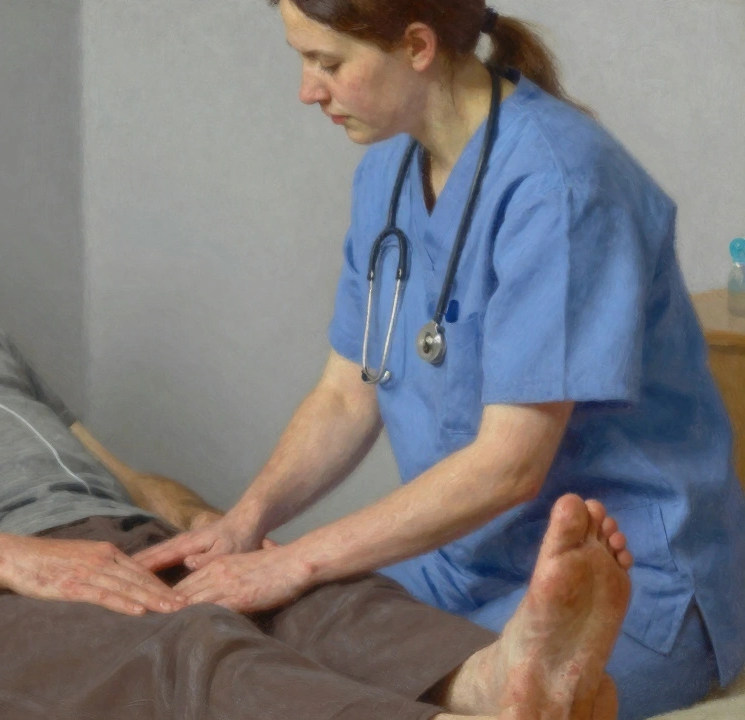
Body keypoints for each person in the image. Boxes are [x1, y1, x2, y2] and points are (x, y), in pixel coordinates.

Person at [0, 45, 634, 720]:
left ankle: (500, 679)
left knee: (319, 605)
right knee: (197, 667)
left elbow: (98, 463)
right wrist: (6, 562)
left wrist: (220, 537)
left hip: (118, 549)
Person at [137, 2, 745, 718]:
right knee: (264, 648)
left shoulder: (561, 185)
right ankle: (494, 668)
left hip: (631, 575)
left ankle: (525, 671)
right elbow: (346, 394)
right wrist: (244, 524)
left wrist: (293, 558)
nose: (308, 89)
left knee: (364, 678)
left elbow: (508, 465)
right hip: (462, 562)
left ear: (418, 46)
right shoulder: (388, 175)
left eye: (327, 63)